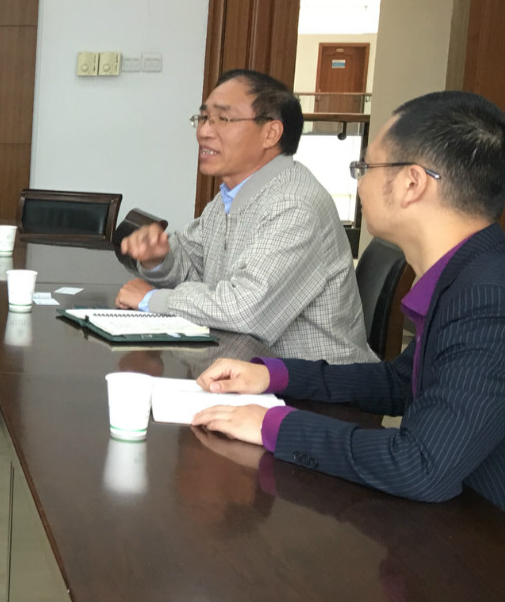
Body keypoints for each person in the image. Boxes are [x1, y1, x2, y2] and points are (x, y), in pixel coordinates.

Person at [192, 91, 505, 509]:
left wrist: (275, 425)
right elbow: (399, 383)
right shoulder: (470, 272)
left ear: (412, 183)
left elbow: (420, 465)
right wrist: (275, 375)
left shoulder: (487, 298)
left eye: (365, 167)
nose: (359, 182)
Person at [117, 69, 373, 363]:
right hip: (248, 368)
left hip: (315, 382)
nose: (204, 131)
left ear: (270, 133)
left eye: (223, 119)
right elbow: (193, 267)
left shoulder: (294, 206)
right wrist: (159, 259)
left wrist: (152, 300)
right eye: (203, 118)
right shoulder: (230, 197)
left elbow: (245, 310)